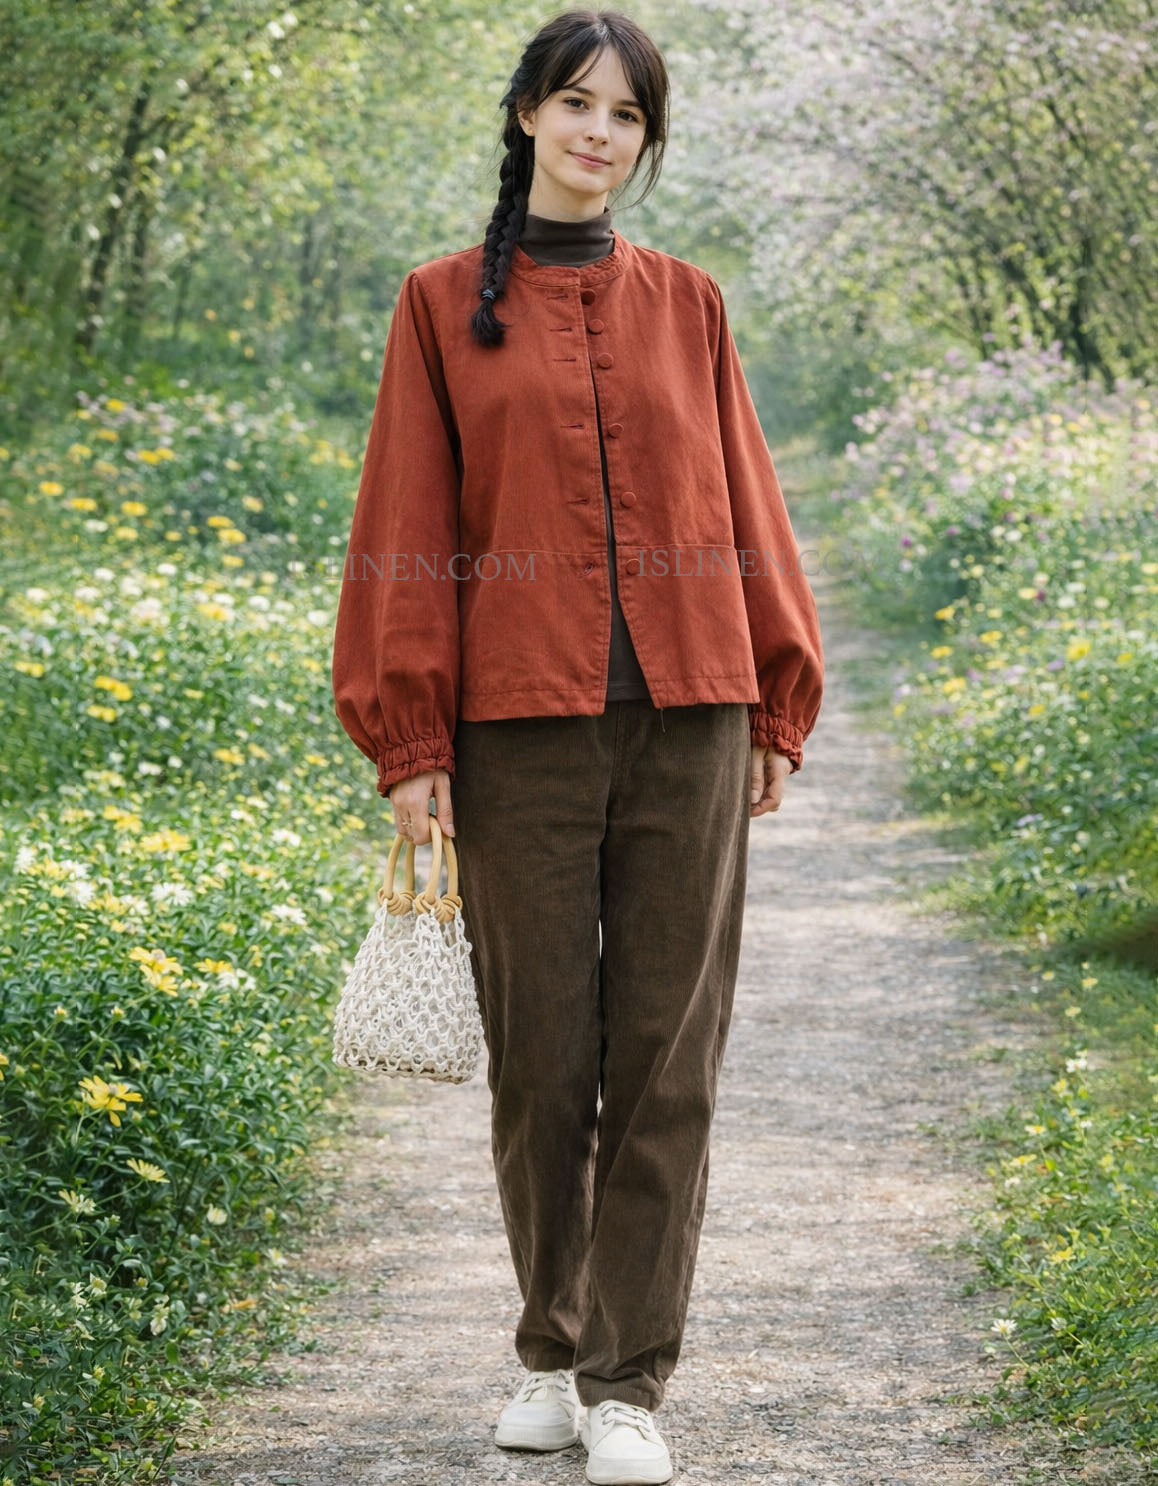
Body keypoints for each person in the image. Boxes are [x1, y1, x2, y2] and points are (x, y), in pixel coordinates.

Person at [331, 10, 824, 1483]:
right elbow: (403, 526)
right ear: (526, 119)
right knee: (543, 1063)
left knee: (664, 1060)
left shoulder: (689, 303)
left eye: (625, 116)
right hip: (512, 736)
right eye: (573, 105)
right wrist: (408, 735)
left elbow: (744, 499)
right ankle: (546, 1347)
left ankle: (626, 1385)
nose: (597, 134)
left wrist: (777, 698)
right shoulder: (435, 307)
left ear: (644, 142)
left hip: (692, 721)